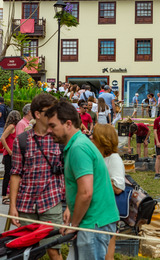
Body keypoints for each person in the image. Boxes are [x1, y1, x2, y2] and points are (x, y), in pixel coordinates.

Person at [46, 101, 119, 259]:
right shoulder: (78, 143)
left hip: (93, 222)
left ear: (68, 124)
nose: (48, 131)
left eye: (52, 126)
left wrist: (74, 225)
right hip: (93, 221)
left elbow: (86, 192)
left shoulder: (78, 148)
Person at [9, 94, 65, 260]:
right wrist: (13, 207)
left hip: (51, 201)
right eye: (50, 112)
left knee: (54, 249)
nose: (53, 115)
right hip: (26, 204)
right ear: (37, 114)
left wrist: (69, 205)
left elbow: (69, 173)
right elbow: (15, 173)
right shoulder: (22, 140)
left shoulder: (59, 139)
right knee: (26, 253)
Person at [92, 124, 125, 260]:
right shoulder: (100, 157)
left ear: (102, 139)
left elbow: (118, 188)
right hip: (99, 211)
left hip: (106, 213)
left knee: (106, 255)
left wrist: (97, 176)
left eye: (94, 136)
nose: (91, 138)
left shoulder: (114, 159)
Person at [1, 111, 20, 205]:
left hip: (12, 154)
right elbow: (2, 138)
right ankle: (4, 196)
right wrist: (9, 151)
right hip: (9, 154)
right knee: (7, 175)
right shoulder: (12, 126)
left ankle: (8, 195)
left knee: (11, 175)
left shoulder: (15, 127)